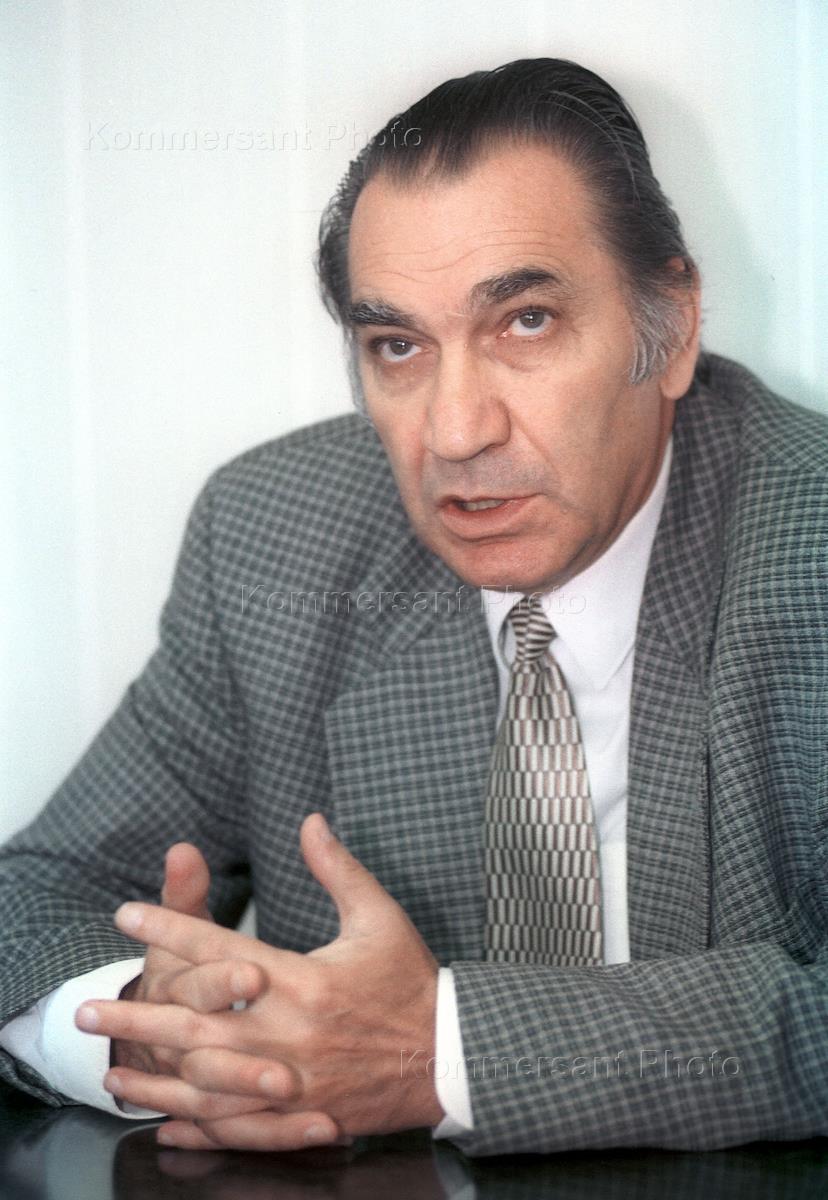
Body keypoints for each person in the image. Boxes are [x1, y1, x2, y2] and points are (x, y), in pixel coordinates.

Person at [1, 57, 826, 1158]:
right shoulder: (273, 538)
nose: (455, 431)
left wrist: (441, 1054)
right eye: (397, 346)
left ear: (670, 328)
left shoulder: (807, 544)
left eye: (526, 322)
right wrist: (148, 1024)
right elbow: (35, 895)